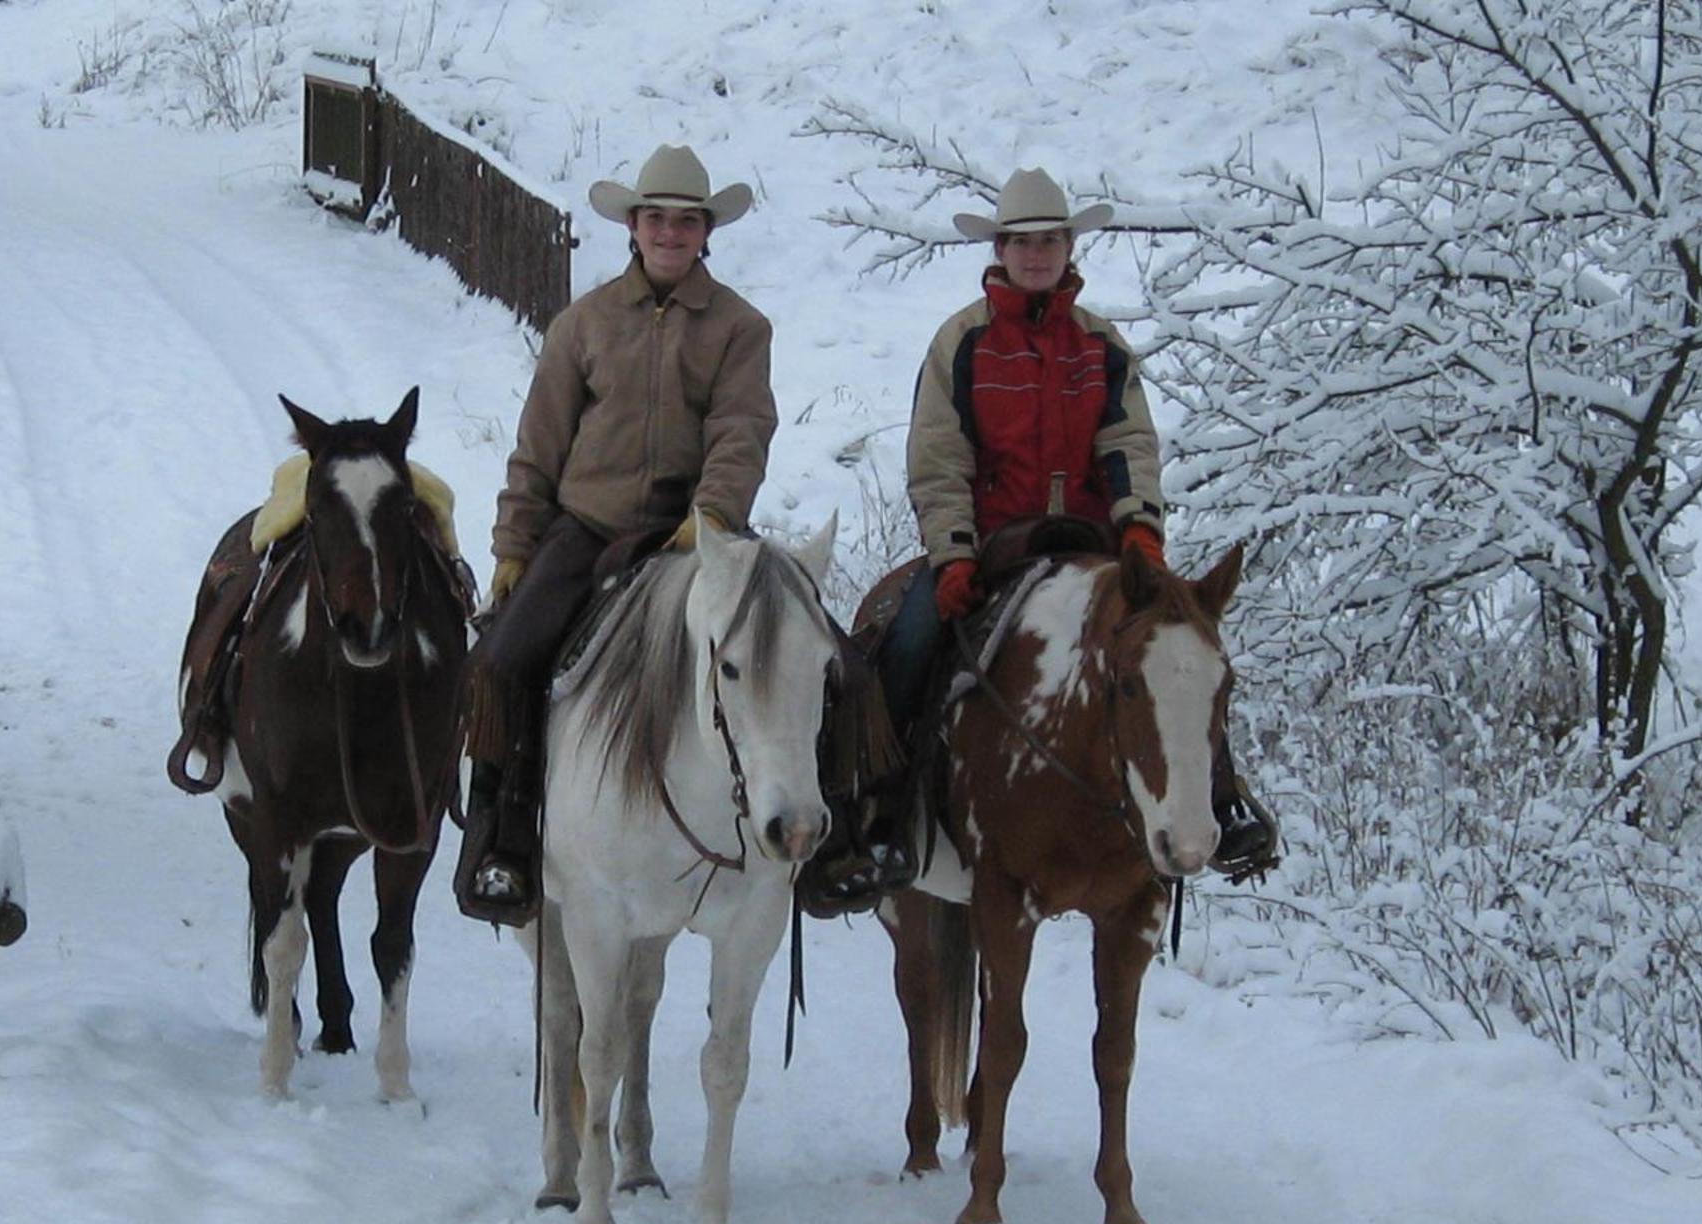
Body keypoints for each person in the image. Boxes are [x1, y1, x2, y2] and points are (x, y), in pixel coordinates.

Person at [801, 167, 1276, 913]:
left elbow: (1128, 444)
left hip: (1091, 549)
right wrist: (954, 553)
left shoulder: (1100, 344)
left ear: (1067, 248)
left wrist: (1141, 536)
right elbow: (940, 454)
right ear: (1000, 248)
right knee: (909, 638)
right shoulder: (962, 342)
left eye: (1050, 239)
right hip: (993, 545)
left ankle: (1222, 800)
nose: (1037, 253)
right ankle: (879, 819)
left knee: (1182, 649)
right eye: (1023, 241)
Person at [454, 144, 778, 925]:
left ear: (706, 232)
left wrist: (709, 520)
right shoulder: (584, 323)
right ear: (633, 227)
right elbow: (539, 446)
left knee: (805, 650)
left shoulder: (740, 327)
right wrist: (513, 548)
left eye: (687, 221)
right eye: (657, 219)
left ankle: (817, 831)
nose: (671, 233)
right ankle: (501, 843)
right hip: (587, 528)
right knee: (501, 662)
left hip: (694, 534)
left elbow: (742, 430)